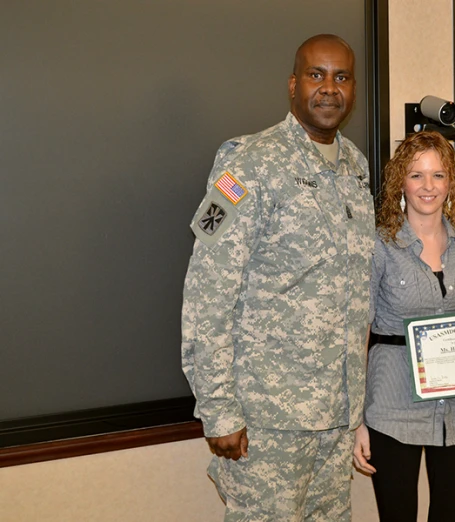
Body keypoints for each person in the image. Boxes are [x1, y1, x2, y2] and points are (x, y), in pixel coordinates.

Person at [181, 34, 375, 521]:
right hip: (268, 420)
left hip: (335, 415)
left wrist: (355, 411)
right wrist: (219, 409)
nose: (329, 88)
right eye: (316, 75)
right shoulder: (247, 165)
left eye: (342, 77)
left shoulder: (356, 168)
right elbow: (208, 291)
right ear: (293, 85)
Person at [352, 131, 455, 521]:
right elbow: (359, 335)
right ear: (401, 183)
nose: (428, 187)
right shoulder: (379, 246)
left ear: (452, 184)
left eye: (438, 176)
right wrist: (358, 422)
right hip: (392, 408)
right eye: (416, 176)